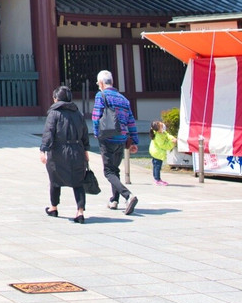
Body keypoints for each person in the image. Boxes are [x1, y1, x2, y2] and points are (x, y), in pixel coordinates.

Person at [39, 85, 91, 223]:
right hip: (77, 149)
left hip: (58, 150)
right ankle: (80, 211)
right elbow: (84, 133)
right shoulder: (78, 113)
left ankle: (54, 207)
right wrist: (86, 150)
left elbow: (48, 132)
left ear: (56, 98)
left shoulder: (54, 113)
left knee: (55, 180)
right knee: (78, 181)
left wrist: (43, 150)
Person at [92, 69, 140, 214]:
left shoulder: (100, 95)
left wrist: (96, 133)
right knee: (115, 169)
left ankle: (128, 195)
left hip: (107, 137)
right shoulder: (123, 99)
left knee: (108, 171)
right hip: (122, 138)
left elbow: (96, 117)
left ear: (100, 83)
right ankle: (114, 199)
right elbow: (131, 120)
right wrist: (134, 141)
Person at [148, 120, 176, 186]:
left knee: (155, 166)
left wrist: (172, 138)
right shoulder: (158, 136)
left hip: (156, 152)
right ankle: (157, 179)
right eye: (161, 126)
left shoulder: (161, 132)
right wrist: (172, 142)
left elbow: (167, 135)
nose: (163, 126)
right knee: (157, 166)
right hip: (157, 153)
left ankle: (156, 179)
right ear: (158, 129)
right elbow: (164, 145)